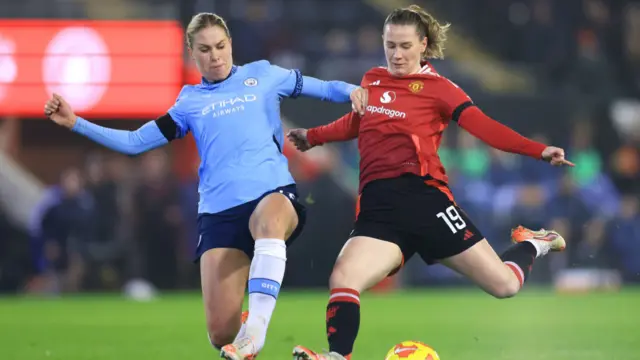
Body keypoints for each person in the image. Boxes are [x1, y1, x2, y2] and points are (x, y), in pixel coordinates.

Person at [43, 12, 367, 360]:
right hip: (219, 213)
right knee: (220, 333)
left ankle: (254, 334)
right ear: (192, 54)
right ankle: (242, 332)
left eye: (221, 46)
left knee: (270, 221)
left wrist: (354, 91)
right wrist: (76, 122)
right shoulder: (188, 103)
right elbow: (135, 142)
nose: (215, 56)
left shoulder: (264, 75)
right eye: (205, 49)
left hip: (273, 193)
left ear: (231, 44)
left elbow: (325, 88)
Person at [287, 5, 573, 360]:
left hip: (426, 200)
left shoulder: (440, 89)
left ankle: (533, 243)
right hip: (379, 208)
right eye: (390, 45)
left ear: (423, 44)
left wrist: (538, 150)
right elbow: (356, 122)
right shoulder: (372, 79)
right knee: (344, 276)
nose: (396, 54)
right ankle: (336, 357)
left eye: (405, 45)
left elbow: (485, 128)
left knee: (505, 285)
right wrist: (313, 136)